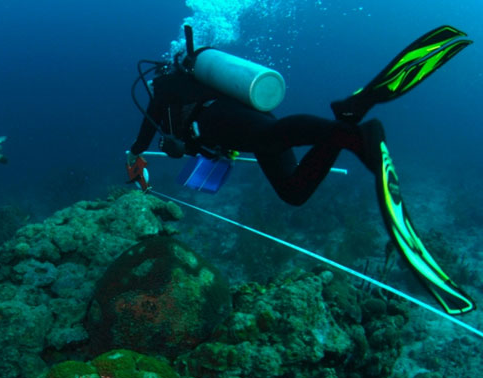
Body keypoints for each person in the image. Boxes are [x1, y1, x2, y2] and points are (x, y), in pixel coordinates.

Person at [126, 25, 476, 315]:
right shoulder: (190, 84)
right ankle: (348, 120)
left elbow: (144, 137)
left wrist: (135, 156)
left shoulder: (163, 91)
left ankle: (354, 135)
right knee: (293, 190)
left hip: (222, 120)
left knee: (271, 138)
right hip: (244, 120)